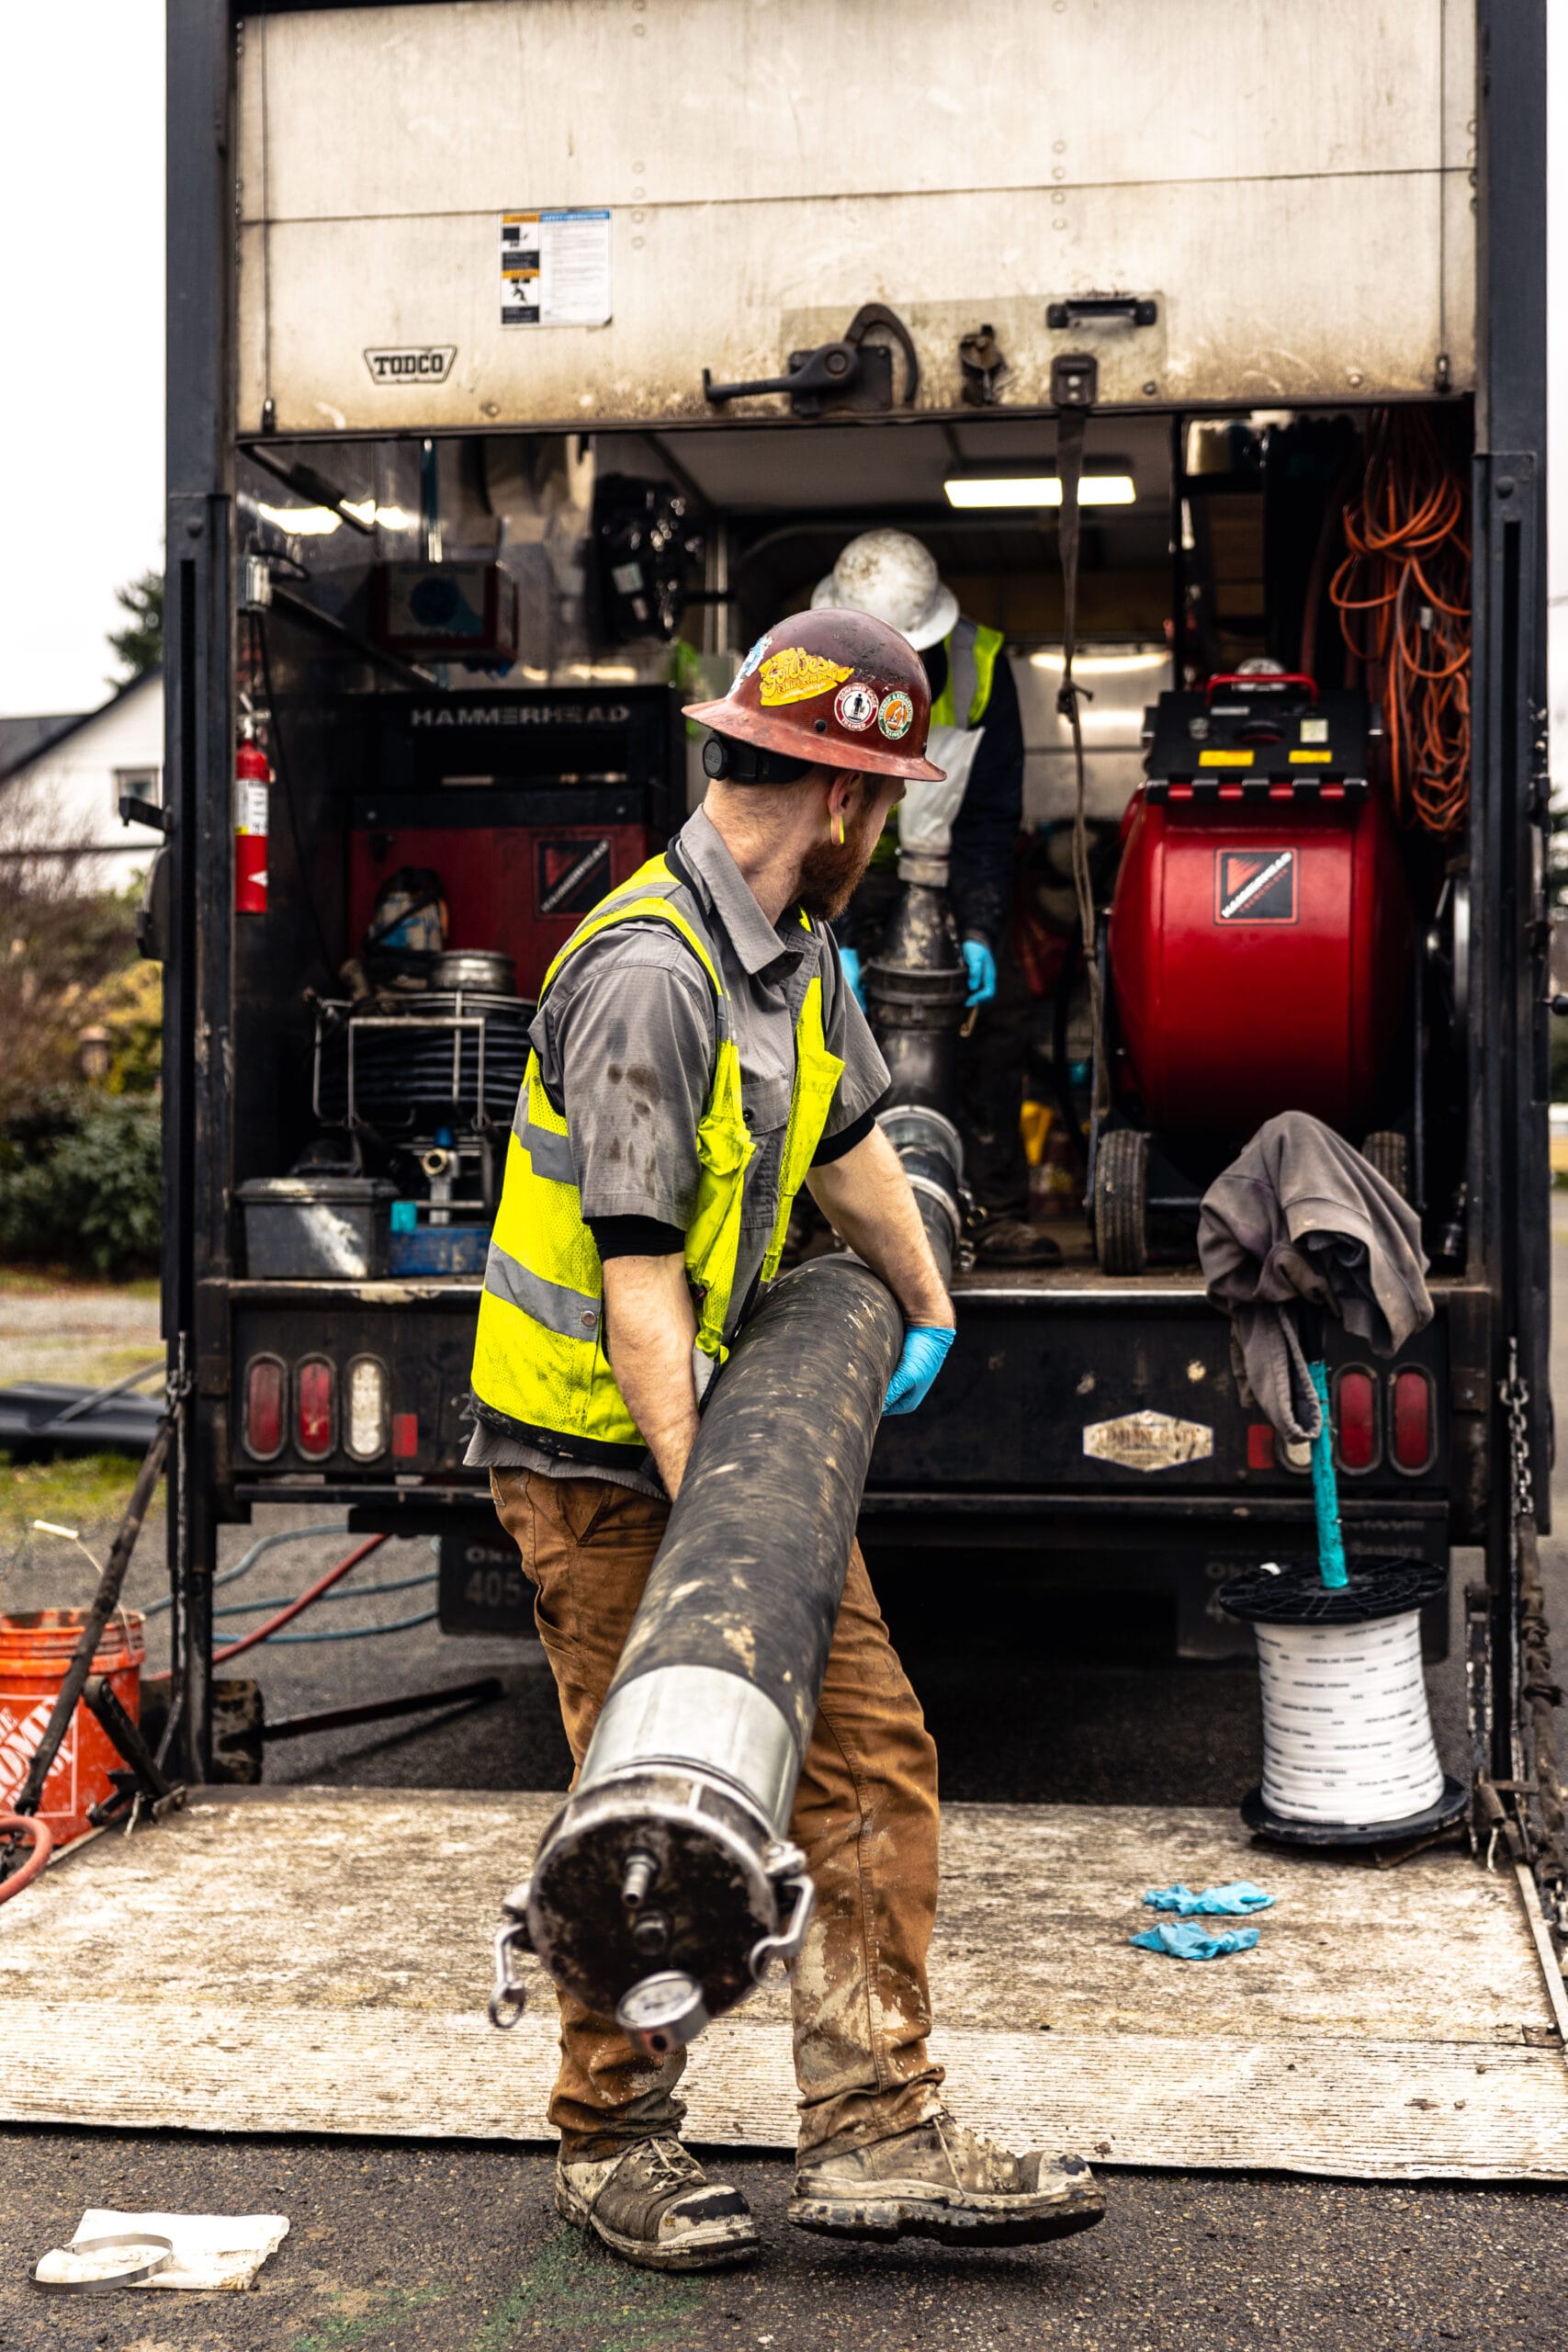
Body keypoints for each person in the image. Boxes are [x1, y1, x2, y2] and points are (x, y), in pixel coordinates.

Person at [468, 609, 1104, 2273]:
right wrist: (722, 1552)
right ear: (838, 800)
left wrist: (927, 1299)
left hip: (722, 1448)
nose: (889, 832)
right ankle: (611, 2142)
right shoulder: (647, 977)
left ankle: (877, 2130)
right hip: (607, 1466)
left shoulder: (793, 959)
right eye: (886, 800)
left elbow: (842, 1143)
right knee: (663, 1808)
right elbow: (636, 1297)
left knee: (870, 1754)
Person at [812, 529, 1024, 1013]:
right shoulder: (807, 665)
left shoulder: (981, 669)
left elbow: (989, 817)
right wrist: (833, 935)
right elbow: (799, 811)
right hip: (833, 872)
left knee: (998, 1024)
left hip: (944, 872)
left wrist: (979, 928)